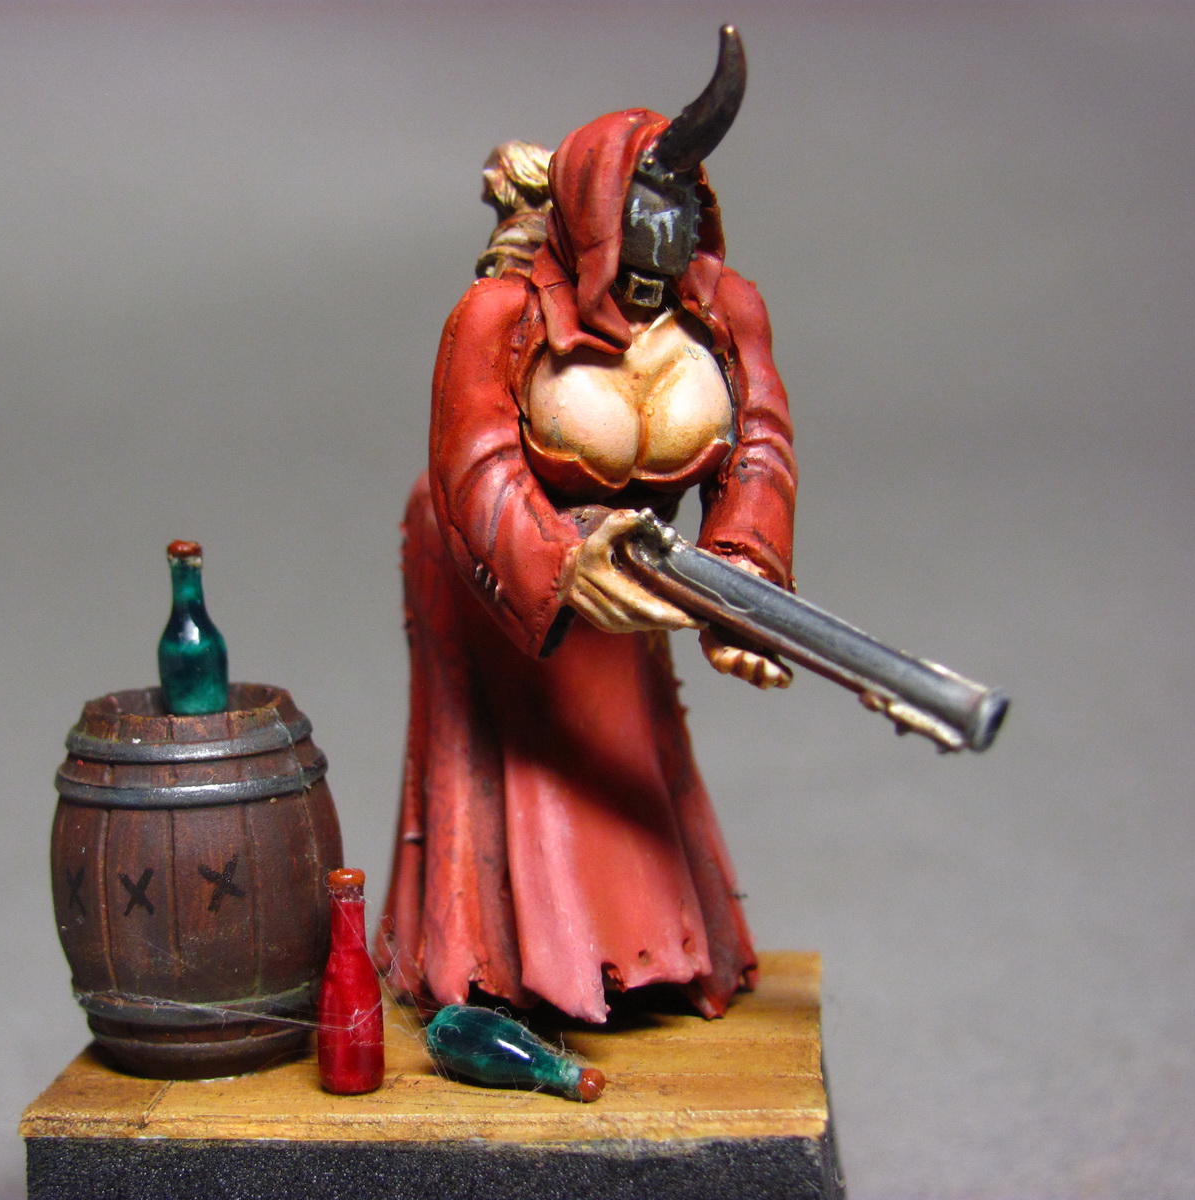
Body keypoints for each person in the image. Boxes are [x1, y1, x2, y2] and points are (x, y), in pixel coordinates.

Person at [374, 29, 797, 1024]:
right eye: (637, 230)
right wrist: (559, 564)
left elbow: (760, 445)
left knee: (628, 745)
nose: (655, 270)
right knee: (527, 759)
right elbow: (475, 464)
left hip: (635, 565)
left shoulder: (722, 310)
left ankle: (655, 947)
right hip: (499, 565)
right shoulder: (499, 315)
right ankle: (508, 963)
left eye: (677, 230)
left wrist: (742, 575)